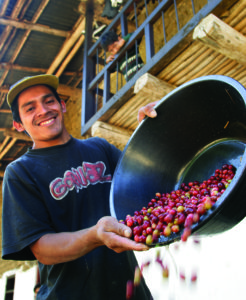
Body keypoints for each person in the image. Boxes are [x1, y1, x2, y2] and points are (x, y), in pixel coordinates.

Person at [1, 74, 157, 300]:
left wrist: (151, 133)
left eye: (49, 101)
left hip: (130, 292)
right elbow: (41, 249)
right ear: (18, 124)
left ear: (62, 105)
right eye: (30, 108)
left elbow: (143, 184)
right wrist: (95, 235)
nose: (43, 110)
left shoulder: (99, 148)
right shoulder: (20, 172)